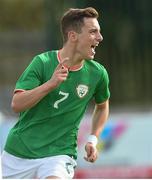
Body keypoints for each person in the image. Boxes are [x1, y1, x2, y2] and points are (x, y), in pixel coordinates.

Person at [1, 7, 110, 179]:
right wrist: (50, 84)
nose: (99, 37)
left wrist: (93, 139)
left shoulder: (97, 74)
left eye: (99, 32)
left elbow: (102, 106)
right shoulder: (42, 62)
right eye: (93, 32)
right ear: (73, 36)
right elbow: (17, 104)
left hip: (59, 154)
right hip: (19, 153)